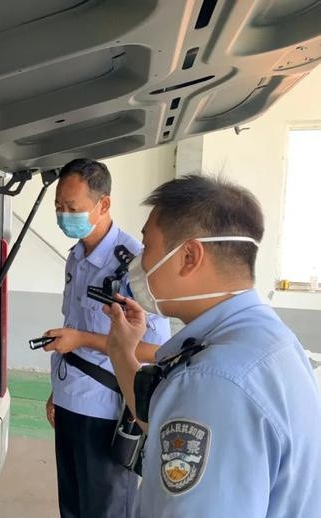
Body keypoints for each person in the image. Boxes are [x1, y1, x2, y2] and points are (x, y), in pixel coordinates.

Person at [104, 174, 321, 517]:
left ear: (189, 256)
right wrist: (121, 352)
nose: (139, 263)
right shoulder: (268, 340)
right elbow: (165, 425)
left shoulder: (213, 382)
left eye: (148, 247)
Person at [41, 158, 170, 518]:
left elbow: (155, 350)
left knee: (105, 509)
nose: (64, 215)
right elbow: (74, 325)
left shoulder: (134, 265)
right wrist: (57, 391)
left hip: (107, 409)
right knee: (72, 506)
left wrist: (82, 339)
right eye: (58, 207)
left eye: (73, 208)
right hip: (70, 399)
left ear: (104, 204)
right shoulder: (76, 256)